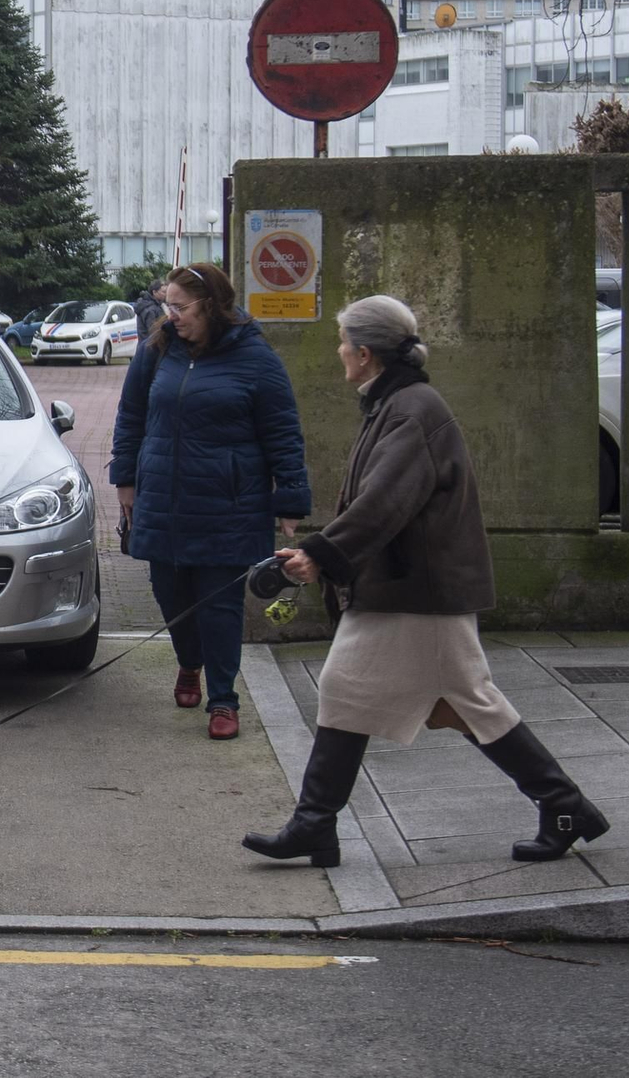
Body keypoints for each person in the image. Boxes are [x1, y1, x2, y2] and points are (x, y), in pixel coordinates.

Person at [245, 296, 610, 867]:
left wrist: (320, 554)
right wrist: (323, 551)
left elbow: (384, 503)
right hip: (410, 590)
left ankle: (315, 825)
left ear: (365, 354)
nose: (339, 352)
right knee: (447, 701)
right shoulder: (400, 403)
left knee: (407, 696)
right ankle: (565, 808)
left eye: (344, 343)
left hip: (417, 593)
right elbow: (379, 503)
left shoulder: (412, 410)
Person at [110, 263, 310, 740]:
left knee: (219, 604)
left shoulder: (255, 357)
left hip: (229, 503)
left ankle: (223, 698)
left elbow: (283, 429)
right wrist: (125, 481)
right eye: (167, 305)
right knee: (169, 592)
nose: (171, 316)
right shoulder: (157, 349)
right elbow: (131, 414)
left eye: (181, 307)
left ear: (212, 305)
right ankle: (189, 662)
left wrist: (291, 500)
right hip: (160, 494)